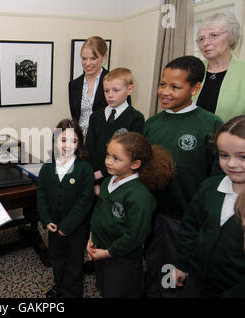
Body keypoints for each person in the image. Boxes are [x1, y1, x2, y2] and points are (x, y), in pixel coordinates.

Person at [143, 55, 224, 298]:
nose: (165, 92)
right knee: (152, 262)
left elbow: (217, 178)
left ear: (195, 88)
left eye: (175, 87)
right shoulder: (152, 123)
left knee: (172, 273)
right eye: (162, 84)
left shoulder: (210, 124)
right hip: (152, 212)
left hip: (183, 219)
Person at [87, 131, 175, 298]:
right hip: (101, 251)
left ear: (135, 164)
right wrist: (92, 237)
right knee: (104, 288)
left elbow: (135, 236)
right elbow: (98, 213)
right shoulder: (108, 181)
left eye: (116, 158)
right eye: (107, 155)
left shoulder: (140, 196)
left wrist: (107, 252)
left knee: (119, 292)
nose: (108, 161)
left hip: (122, 259)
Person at [173, 115, 245, 297]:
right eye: (224, 155)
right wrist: (182, 263)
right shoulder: (210, 187)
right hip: (197, 282)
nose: (231, 164)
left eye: (242, 157)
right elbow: (190, 226)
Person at [36, 119, 94, 298]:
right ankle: (59, 286)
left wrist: (68, 226)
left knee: (74, 261)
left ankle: (72, 292)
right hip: (54, 225)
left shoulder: (84, 169)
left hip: (76, 228)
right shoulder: (47, 168)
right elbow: (41, 196)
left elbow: (85, 201)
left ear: (79, 144)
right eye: (63, 140)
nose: (67, 145)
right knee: (57, 259)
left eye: (73, 141)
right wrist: (46, 220)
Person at [85, 67, 144, 195]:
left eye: (116, 90)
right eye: (106, 91)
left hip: (118, 180)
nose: (110, 95)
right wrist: (92, 178)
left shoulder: (136, 118)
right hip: (93, 177)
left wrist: (101, 174)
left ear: (130, 89)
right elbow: (89, 148)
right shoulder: (95, 116)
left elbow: (130, 155)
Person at [194, 12, 245, 122]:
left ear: (232, 37)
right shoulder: (192, 69)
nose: (205, 43)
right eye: (201, 38)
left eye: (214, 35)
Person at [68, 36, 109, 136]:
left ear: (104, 57)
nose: (88, 63)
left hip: (105, 141)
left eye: (93, 58)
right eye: (84, 59)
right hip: (80, 141)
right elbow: (75, 117)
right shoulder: (74, 84)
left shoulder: (115, 82)